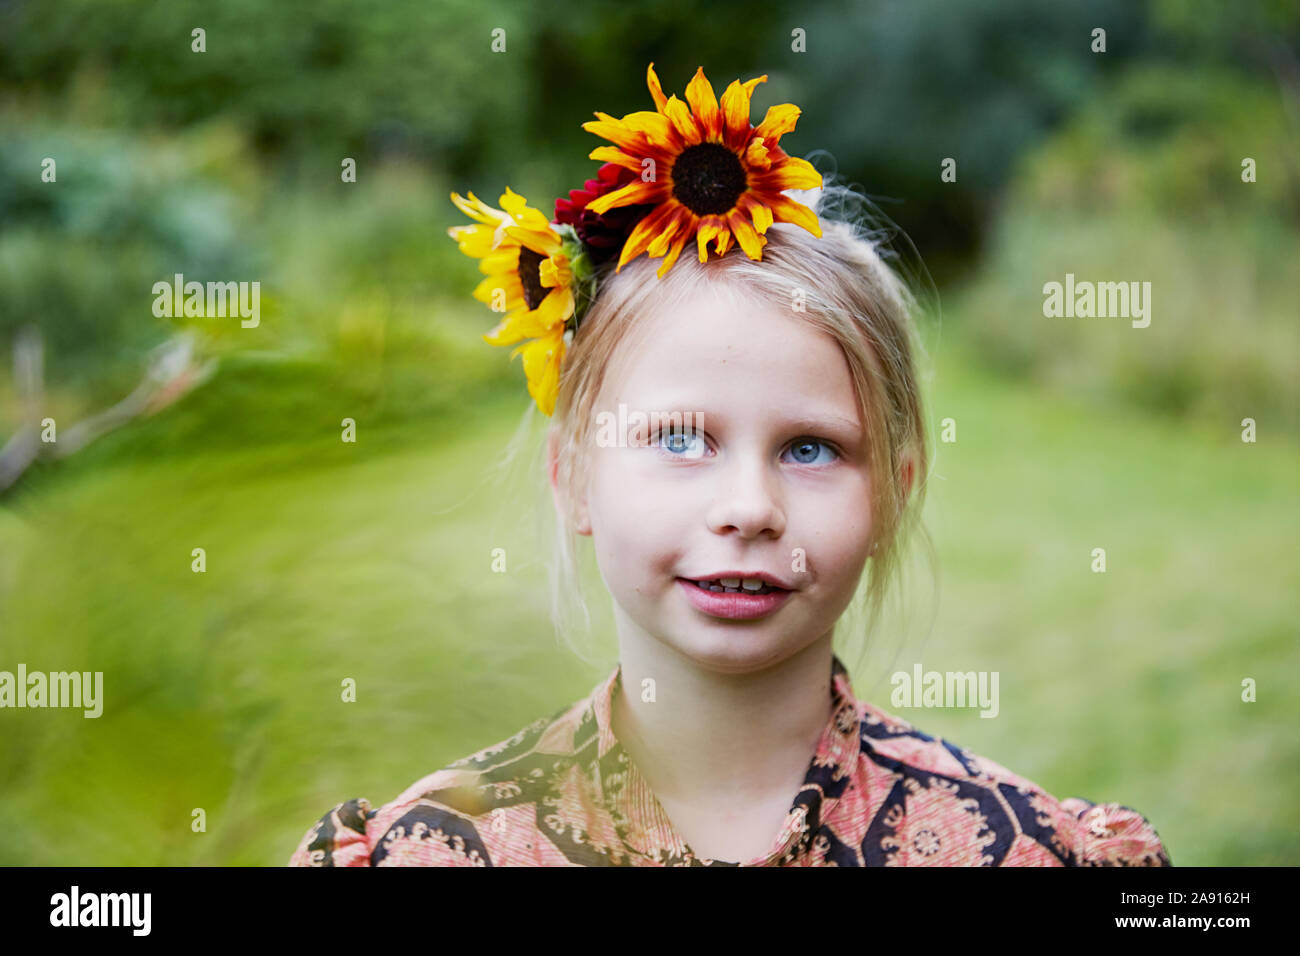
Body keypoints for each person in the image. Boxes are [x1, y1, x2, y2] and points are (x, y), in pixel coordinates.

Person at [288, 63, 1170, 867]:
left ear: (894, 497)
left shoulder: (1022, 851)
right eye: (680, 439)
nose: (749, 508)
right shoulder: (440, 851)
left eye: (811, 448)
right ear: (575, 478)